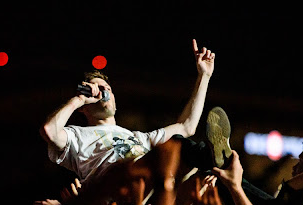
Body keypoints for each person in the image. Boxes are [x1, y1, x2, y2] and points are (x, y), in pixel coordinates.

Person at [40, 39, 215, 186]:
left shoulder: (140, 138)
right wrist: (78, 100)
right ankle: (210, 158)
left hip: (146, 187)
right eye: (98, 89)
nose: (104, 92)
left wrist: (204, 76)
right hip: (115, 191)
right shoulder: (77, 135)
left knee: (182, 148)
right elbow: (50, 131)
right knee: (177, 152)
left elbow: (187, 127)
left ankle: (216, 160)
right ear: (85, 105)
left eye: (108, 88)